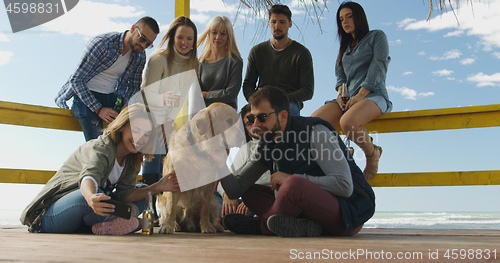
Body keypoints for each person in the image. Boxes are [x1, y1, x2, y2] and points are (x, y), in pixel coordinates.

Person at [216, 86, 375, 237]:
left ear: (283, 115)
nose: (255, 125)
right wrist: (220, 164)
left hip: (347, 215)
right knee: (250, 192)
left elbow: (345, 186)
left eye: (262, 117)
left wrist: (291, 178)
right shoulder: (267, 143)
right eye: (252, 118)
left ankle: (261, 226)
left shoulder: (314, 132)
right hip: (309, 213)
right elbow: (236, 189)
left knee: (293, 185)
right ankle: (303, 226)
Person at [20, 103, 180, 235]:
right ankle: (131, 222)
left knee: (145, 192)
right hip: (51, 215)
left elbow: (125, 195)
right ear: (122, 126)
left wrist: (158, 186)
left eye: (146, 135)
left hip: (92, 213)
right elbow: (89, 177)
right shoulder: (101, 147)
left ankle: (105, 223)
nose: (139, 139)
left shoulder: (133, 159)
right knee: (90, 199)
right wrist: (90, 197)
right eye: (135, 130)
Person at [311, 1, 392, 179]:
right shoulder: (344, 48)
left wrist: (361, 95)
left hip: (373, 95)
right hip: (348, 98)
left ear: (359, 17)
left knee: (348, 122)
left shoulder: (377, 37)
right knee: (313, 124)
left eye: (349, 16)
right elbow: (340, 76)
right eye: (341, 19)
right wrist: (341, 96)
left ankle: (372, 154)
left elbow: (378, 68)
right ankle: (343, 156)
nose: (345, 22)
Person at [55, 17, 160, 142]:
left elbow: (133, 87)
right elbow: (76, 80)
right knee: (97, 147)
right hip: (85, 98)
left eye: (148, 44)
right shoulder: (102, 44)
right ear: (133, 29)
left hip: (111, 98)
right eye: (142, 38)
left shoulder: (139, 54)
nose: (143, 45)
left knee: (140, 126)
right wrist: (99, 109)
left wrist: (125, 107)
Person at [140, 16, 199, 222]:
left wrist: (167, 122)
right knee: (152, 160)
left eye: (189, 39)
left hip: (166, 119)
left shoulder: (192, 64)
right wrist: (158, 120)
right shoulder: (159, 59)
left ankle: (162, 210)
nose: (184, 43)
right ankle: (150, 210)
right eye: (180, 37)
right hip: (146, 114)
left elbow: (180, 99)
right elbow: (146, 94)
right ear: (172, 37)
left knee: (168, 163)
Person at [242, 4, 314, 116]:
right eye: (273, 22)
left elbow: (307, 90)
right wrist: (253, 100)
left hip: (288, 102)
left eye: (282, 22)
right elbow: (248, 84)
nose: (277, 26)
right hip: (261, 100)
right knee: (241, 121)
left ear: (290, 24)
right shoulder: (257, 51)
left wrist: (283, 99)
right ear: (268, 23)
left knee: (287, 115)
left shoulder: (301, 53)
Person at [215, 104, 271, 218]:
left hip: (270, 198)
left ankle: (254, 220)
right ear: (246, 128)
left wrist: (253, 200)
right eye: (249, 123)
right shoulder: (247, 148)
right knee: (213, 197)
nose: (255, 125)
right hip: (246, 203)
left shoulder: (283, 141)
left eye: (259, 118)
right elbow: (227, 180)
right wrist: (228, 195)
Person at [197, 15, 243, 110]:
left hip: (226, 116)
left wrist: (206, 94)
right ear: (209, 34)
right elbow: (196, 95)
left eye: (223, 33)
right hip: (204, 116)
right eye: (214, 32)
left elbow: (231, 94)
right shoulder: (200, 62)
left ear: (228, 36)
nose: (218, 37)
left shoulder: (235, 61)